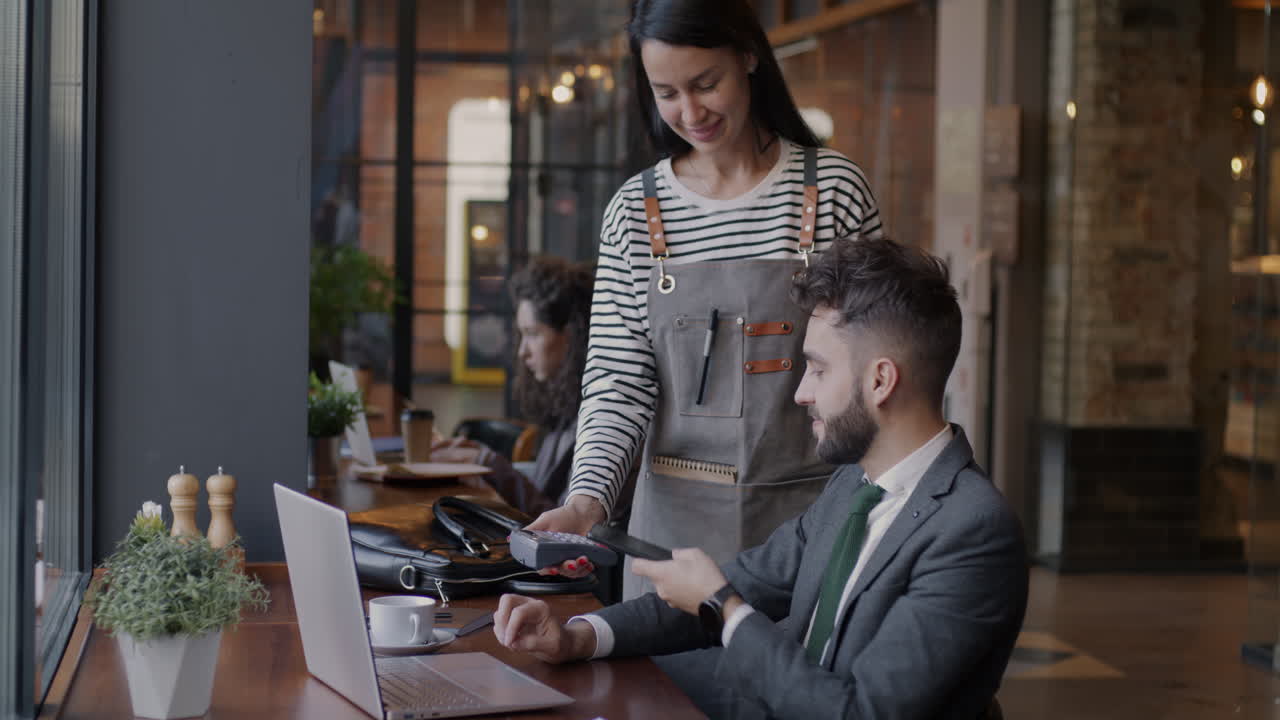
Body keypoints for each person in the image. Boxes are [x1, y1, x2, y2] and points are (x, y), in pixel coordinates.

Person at [495, 238, 1029, 720]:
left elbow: (861, 711)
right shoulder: (853, 486)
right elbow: (748, 580)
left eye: (818, 369)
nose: (800, 393)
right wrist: (578, 638)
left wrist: (724, 608)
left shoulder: (973, 531)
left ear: (880, 380)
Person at [530, 0, 886, 599]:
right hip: (671, 542)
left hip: (811, 526)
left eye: (705, 84)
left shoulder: (833, 192)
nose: (690, 113)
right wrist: (586, 502)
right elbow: (619, 382)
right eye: (666, 93)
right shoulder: (634, 212)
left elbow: (873, 369)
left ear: (748, 56)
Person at [433, 258, 634, 520]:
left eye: (533, 334)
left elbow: (568, 524)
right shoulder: (567, 408)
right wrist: (478, 458)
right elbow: (543, 492)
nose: (522, 351)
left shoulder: (605, 421)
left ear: (572, 336)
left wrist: (489, 464)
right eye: (522, 334)